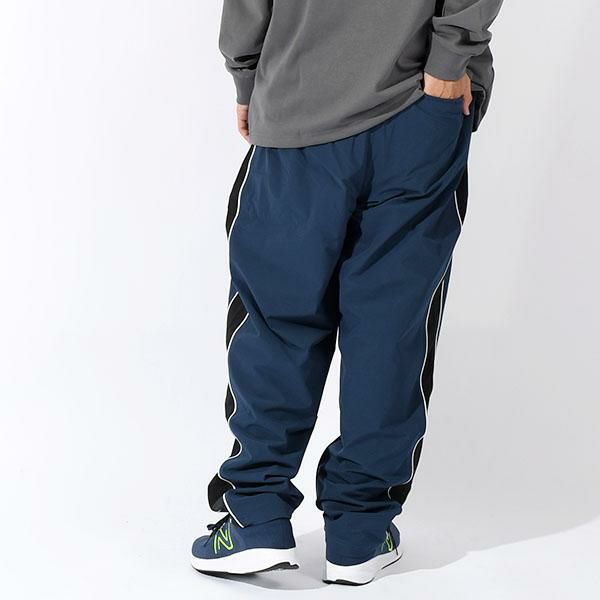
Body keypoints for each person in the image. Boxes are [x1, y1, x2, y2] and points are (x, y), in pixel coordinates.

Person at [191, 0, 504, 585]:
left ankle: (255, 513)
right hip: (422, 105)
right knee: (391, 324)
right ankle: (360, 530)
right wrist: (450, 54)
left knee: (276, 319)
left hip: (302, 97)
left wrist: (248, 72)